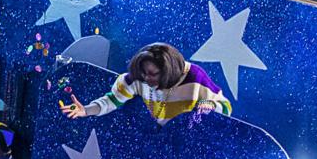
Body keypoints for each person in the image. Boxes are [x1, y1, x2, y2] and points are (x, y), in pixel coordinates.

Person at [61, 42, 231, 124]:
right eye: (143, 73)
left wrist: (209, 105)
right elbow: (112, 100)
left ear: (168, 70)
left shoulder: (195, 77)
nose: (146, 79)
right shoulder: (138, 77)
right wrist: (86, 110)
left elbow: (226, 107)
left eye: (152, 74)